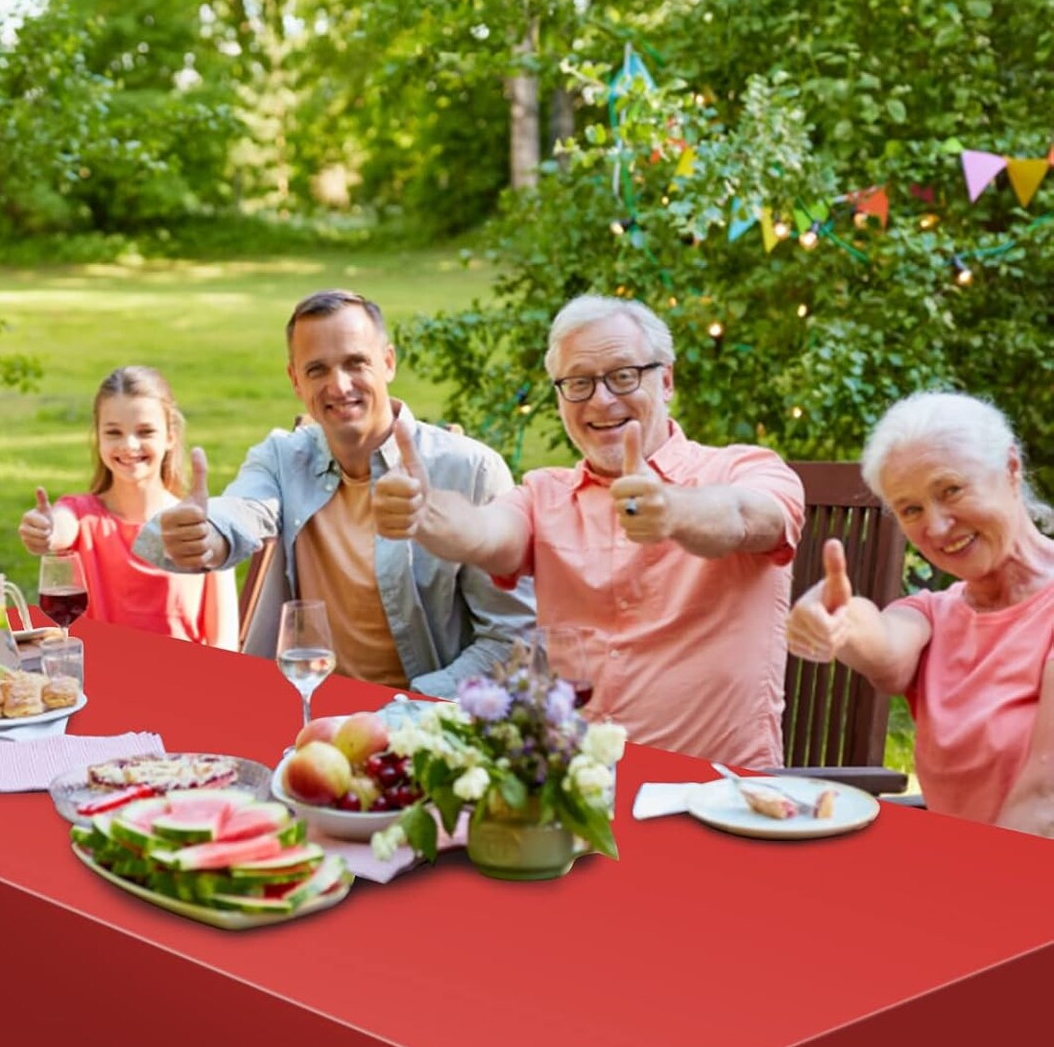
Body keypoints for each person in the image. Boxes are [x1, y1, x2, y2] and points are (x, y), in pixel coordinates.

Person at [371, 293, 805, 767]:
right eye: (578, 383)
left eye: (623, 376)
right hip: (575, 792)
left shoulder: (745, 469)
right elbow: (487, 532)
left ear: (666, 381)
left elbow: (748, 517)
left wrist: (672, 509)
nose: (601, 400)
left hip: (718, 794)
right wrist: (428, 512)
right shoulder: (544, 493)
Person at [133, 290, 535, 695]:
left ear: (389, 362)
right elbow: (242, 510)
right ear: (295, 380)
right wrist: (206, 537)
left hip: (427, 724)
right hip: (308, 708)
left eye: (355, 363)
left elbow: (514, 640)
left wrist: (406, 709)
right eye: (317, 370)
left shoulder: (471, 470)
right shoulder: (281, 457)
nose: (339, 385)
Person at [787, 391, 1054, 833]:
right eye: (911, 509)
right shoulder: (934, 613)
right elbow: (885, 649)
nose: (935, 526)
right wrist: (838, 619)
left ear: (1010, 470)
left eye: (951, 490)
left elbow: (1045, 800)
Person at [17, 366, 237, 649]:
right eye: (113, 433)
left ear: (170, 435)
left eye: (145, 431)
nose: (129, 445)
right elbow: (59, 526)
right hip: (96, 685)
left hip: (181, 684)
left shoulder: (199, 528)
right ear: (98, 437)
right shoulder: (80, 516)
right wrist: (45, 530)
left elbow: (225, 642)